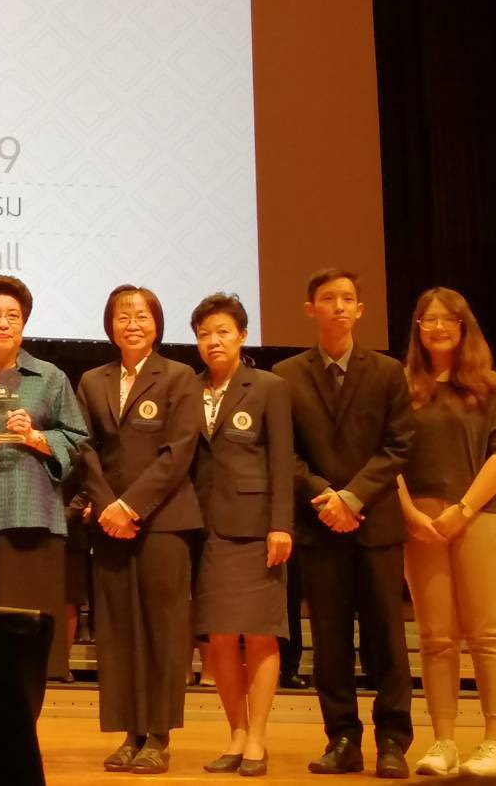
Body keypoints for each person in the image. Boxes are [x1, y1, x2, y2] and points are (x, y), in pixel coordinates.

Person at [273, 268, 413, 777]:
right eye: (328, 298)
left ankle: (393, 741)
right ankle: (342, 739)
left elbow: (398, 446)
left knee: (386, 637)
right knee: (330, 641)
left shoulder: (388, 372)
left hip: (375, 524)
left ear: (360, 310)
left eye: (347, 298)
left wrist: (353, 497)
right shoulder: (286, 375)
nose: (338, 306)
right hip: (319, 525)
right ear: (310, 309)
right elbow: (285, 452)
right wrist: (324, 497)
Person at [74, 284, 202, 773]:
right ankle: (130, 733)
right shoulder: (92, 381)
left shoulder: (179, 377)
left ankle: (159, 736)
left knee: (163, 629)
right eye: (123, 316)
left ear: (157, 324)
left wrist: (131, 506)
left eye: (142, 316)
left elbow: (179, 452)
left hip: (164, 522)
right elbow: (84, 448)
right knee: (118, 628)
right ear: (110, 325)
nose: (132, 324)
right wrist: (108, 506)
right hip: (108, 524)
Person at [0, 274, 88, 689]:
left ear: (24, 322)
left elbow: (78, 441)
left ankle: (28, 720)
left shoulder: (50, 376)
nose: (4, 323)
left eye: (14, 315)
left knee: (30, 639)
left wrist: (37, 438)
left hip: (35, 516)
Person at [398, 288, 496, 777]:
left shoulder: (490, 385)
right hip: (421, 525)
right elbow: (389, 456)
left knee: (488, 633)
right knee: (435, 638)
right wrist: (410, 513)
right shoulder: (403, 385)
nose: (438, 327)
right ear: (417, 329)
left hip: (482, 517)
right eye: (428, 320)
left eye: (448, 319)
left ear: (464, 326)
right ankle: (444, 741)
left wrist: (464, 509)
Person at [189, 294, 294, 776]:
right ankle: (235, 732)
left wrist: (281, 524)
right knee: (220, 637)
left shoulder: (269, 386)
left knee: (260, 633)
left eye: (223, 332)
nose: (213, 341)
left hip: (256, 528)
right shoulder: (188, 387)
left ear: (242, 336)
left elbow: (282, 460)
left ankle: (257, 738)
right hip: (206, 527)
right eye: (204, 334)